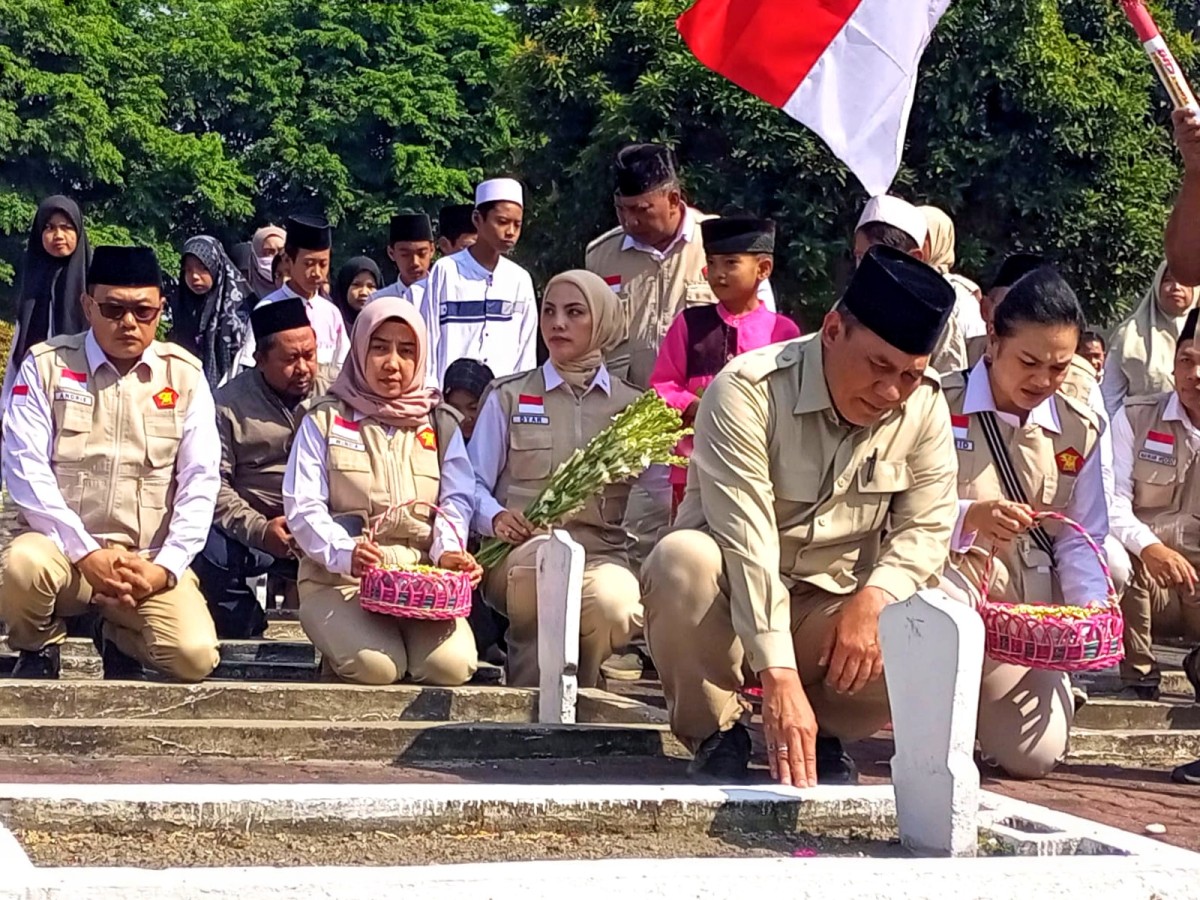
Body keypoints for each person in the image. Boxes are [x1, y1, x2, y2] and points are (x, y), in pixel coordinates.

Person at [641, 246, 958, 786]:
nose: (890, 392)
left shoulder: (922, 407)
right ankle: (716, 731)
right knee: (681, 560)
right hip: (729, 602)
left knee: (925, 624)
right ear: (832, 330)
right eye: (879, 365)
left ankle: (823, 730)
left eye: (909, 374)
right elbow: (748, 539)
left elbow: (926, 527)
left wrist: (876, 596)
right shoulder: (747, 391)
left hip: (830, 609)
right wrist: (778, 672)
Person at [0, 245, 220, 681]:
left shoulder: (186, 377)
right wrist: (85, 554)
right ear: (87, 305)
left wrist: (165, 568)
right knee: (21, 567)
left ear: (161, 309)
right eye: (113, 308)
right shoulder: (46, 366)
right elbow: (25, 470)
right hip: (62, 554)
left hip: (143, 563)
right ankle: (38, 644)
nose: (129, 322)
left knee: (194, 657)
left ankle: (111, 632)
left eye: (143, 310)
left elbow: (200, 482)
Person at [938, 267, 1106, 779]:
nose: (1042, 381)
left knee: (1033, 758)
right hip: (951, 580)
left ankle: (991, 712)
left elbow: (1085, 536)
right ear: (993, 340)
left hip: (1026, 612)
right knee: (948, 623)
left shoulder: (1079, 426)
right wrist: (973, 517)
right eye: (1028, 362)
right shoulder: (937, 403)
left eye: (1058, 368)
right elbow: (900, 513)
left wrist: (1088, 610)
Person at [283, 297, 480, 686]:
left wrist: (448, 551)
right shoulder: (324, 418)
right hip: (339, 581)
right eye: (379, 348)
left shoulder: (440, 424)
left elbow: (456, 500)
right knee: (378, 668)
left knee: (450, 667)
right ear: (358, 350)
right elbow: (302, 506)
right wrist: (345, 552)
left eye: (407, 351)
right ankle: (341, 648)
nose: (392, 363)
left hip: (420, 584)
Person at [471, 270, 645, 688]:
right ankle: (529, 693)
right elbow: (469, 484)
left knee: (615, 603)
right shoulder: (509, 395)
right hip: (521, 554)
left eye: (574, 312)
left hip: (601, 556)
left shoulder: (634, 410)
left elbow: (651, 502)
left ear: (601, 321)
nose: (557, 323)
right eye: (549, 311)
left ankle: (577, 694)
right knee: (545, 571)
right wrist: (493, 517)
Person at [585, 143, 775, 390]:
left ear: (673, 199)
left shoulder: (724, 244)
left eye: (640, 210)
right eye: (621, 210)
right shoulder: (601, 256)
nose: (629, 221)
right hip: (624, 406)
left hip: (705, 405)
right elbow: (586, 341)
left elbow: (762, 324)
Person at [650, 216, 801, 510]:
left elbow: (792, 397)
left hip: (761, 464)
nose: (718, 273)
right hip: (694, 464)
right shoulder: (690, 324)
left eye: (731, 263)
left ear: (763, 269)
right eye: (713, 263)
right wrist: (695, 406)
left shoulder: (783, 332)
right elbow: (662, 385)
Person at [197, 298, 325, 639]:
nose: (303, 368)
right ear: (260, 360)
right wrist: (260, 529)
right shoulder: (226, 406)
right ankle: (245, 623)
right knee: (204, 548)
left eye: (310, 355)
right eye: (290, 359)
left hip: (327, 526)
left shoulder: (337, 393)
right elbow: (214, 485)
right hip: (259, 530)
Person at [1109, 308, 1200, 702]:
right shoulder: (1135, 417)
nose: (1195, 374)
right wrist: (1152, 549)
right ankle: (1139, 675)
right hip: (1150, 577)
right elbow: (1111, 501)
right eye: (1187, 361)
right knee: (1112, 556)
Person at [425, 178, 537, 386]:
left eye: (517, 224)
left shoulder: (519, 280)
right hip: (449, 400)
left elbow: (526, 353)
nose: (511, 231)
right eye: (502, 222)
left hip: (503, 401)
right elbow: (428, 339)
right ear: (478, 219)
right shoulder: (446, 271)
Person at [854, 195, 966, 377]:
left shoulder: (937, 320)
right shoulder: (850, 305)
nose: (864, 268)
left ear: (914, 258)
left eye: (874, 259)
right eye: (859, 257)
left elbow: (949, 385)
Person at [2, 197, 91, 411]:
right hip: (35, 389)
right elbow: (19, 342)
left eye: (66, 227)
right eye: (49, 227)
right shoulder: (31, 281)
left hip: (84, 394)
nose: (58, 236)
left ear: (78, 231)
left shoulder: (96, 281)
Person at [233, 215, 349, 377]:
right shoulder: (267, 309)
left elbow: (342, 366)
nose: (316, 273)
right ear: (288, 260)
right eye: (308, 264)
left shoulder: (331, 312)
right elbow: (250, 366)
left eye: (323, 264)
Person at [1102, 262, 1198, 418]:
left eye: (1183, 281)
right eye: (1167, 280)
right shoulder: (1129, 334)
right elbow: (1110, 398)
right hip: (1145, 431)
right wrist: (1123, 434)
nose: (1176, 287)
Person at [169, 236, 250, 389]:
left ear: (217, 266)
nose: (194, 276)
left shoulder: (242, 308)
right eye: (188, 269)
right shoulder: (182, 307)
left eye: (203, 268)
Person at [921, 205, 987, 339]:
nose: (915, 242)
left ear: (938, 240)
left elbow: (974, 346)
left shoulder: (959, 296)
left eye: (922, 236)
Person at [372, 212, 435, 312]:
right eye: (405, 255)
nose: (415, 262)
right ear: (391, 253)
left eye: (422, 253)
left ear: (432, 250)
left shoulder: (446, 296)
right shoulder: (379, 301)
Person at [441, 358, 494, 443]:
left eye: (473, 408)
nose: (464, 418)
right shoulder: (436, 444)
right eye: (455, 409)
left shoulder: (505, 447)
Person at [331, 257, 382, 330]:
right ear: (344, 287)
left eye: (371, 286)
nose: (364, 292)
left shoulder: (384, 325)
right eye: (356, 285)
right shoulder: (331, 320)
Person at [249, 225, 287, 299]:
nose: (276, 257)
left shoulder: (302, 293)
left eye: (280, 251)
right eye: (269, 252)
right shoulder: (241, 297)